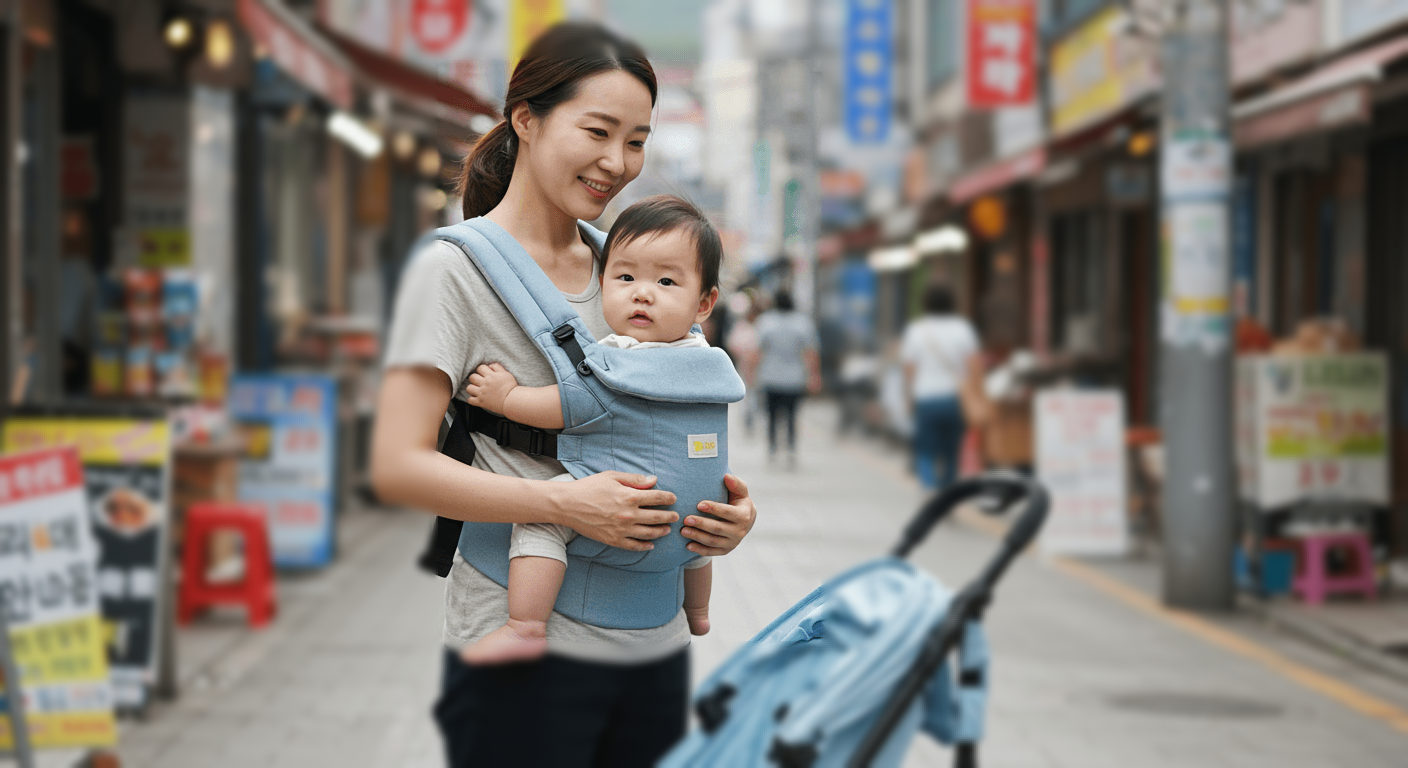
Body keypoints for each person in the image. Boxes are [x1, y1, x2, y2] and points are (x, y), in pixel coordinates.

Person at [370, 23, 758, 768]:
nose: (618, 163)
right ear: (526, 118)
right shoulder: (454, 271)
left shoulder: (636, 265)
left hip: (651, 637)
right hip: (523, 639)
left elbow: (671, 418)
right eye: (598, 131)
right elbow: (396, 466)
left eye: (638, 140)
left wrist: (725, 513)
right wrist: (561, 506)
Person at [458, 195, 723, 665]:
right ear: (603, 284)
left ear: (704, 301)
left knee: (541, 523)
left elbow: (565, 406)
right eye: (625, 278)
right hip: (696, 514)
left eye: (665, 281)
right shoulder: (708, 363)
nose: (643, 293)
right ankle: (698, 610)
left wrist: (505, 398)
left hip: (626, 497)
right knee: (696, 538)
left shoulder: (618, 358)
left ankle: (524, 626)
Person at [901, 284, 981, 490]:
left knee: (925, 448)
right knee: (952, 449)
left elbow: (909, 370)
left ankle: (928, 488)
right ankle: (947, 493)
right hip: (956, 398)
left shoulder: (916, 330)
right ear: (952, 302)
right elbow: (975, 367)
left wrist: (908, 399)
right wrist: (978, 394)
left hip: (925, 398)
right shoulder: (963, 328)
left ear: (925, 303)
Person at [754, 289, 820, 467]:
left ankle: (773, 447)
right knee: (792, 415)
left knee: (772, 415)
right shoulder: (803, 322)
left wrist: (752, 374)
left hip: (770, 376)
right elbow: (810, 352)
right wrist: (814, 375)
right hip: (794, 378)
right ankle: (791, 448)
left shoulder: (766, 321)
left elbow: (758, 351)